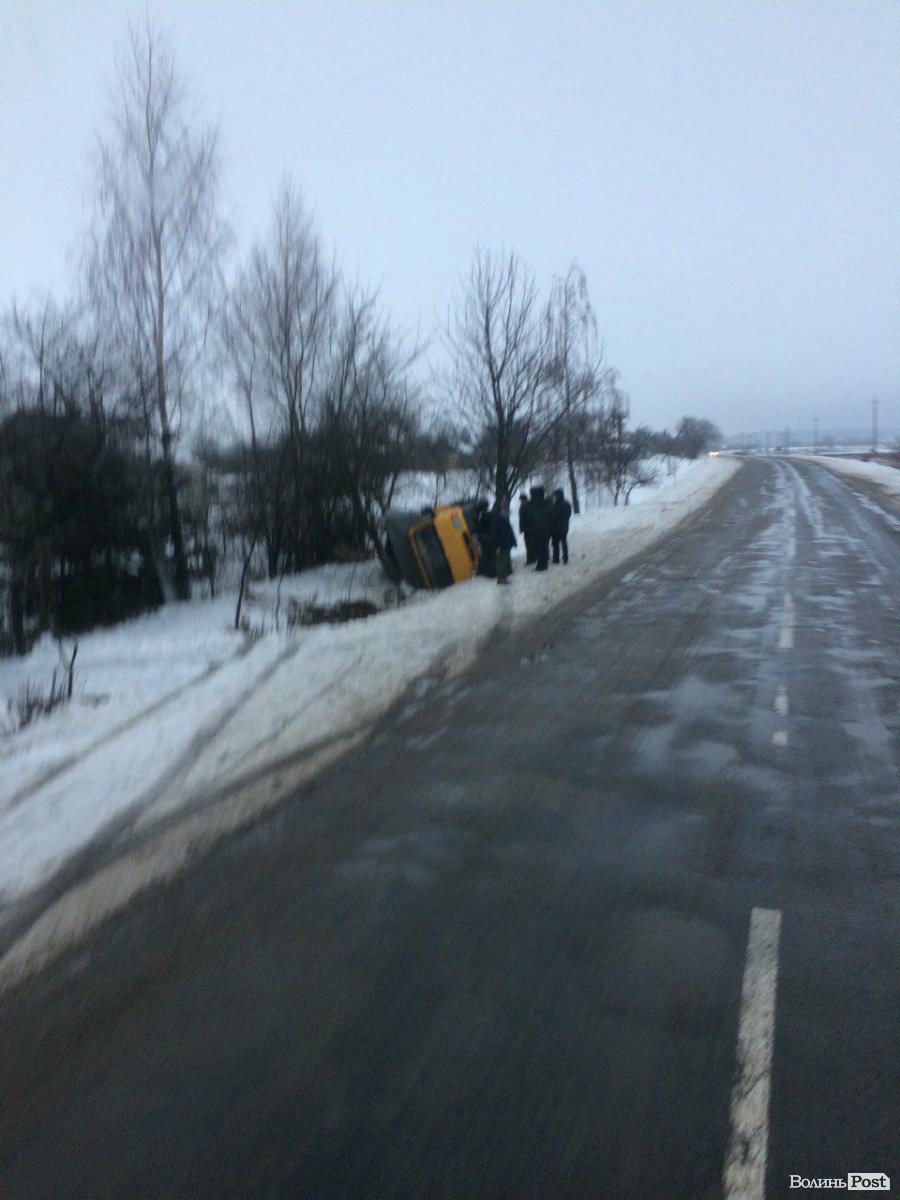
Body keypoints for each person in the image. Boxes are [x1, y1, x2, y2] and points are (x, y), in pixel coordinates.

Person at [490, 498, 517, 585]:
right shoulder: (497, 521)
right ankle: (500, 578)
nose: (504, 512)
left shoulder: (504, 519)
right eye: (503, 510)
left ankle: (504, 577)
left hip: (506, 544)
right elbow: (494, 535)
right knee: (500, 562)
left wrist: (513, 541)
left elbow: (510, 532)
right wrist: (497, 546)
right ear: (500, 511)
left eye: (505, 511)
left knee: (504, 562)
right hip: (501, 545)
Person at [528, 485, 552, 571]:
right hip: (546, 529)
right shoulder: (546, 502)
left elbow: (531, 517)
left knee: (538, 547)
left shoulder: (533, 504)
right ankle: (544, 564)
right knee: (544, 546)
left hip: (537, 529)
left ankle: (540, 565)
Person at [551, 488, 572, 564]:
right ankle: (563, 558)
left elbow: (555, 516)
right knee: (562, 543)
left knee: (557, 544)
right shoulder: (566, 504)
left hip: (558, 527)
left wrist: (555, 517)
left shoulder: (556, 505)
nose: (554, 498)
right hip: (563, 527)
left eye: (555, 496)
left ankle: (557, 558)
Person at [518, 492, 536, 565]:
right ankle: (531, 558)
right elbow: (521, 519)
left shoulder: (528, 506)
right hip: (527, 529)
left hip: (530, 529)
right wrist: (521, 528)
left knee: (530, 544)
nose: (521, 502)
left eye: (522, 500)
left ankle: (531, 559)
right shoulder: (523, 507)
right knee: (528, 544)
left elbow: (526, 518)